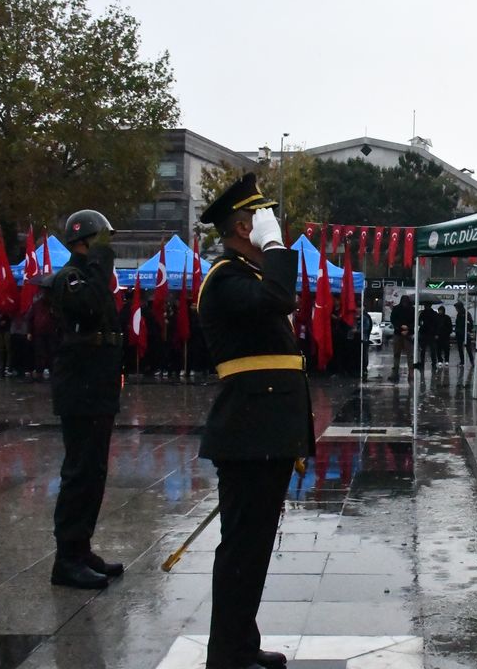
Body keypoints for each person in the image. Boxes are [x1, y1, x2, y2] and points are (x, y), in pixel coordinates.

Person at [197, 173, 307, 669]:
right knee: (242, 548)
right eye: (264, 221)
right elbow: (280, 298)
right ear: (245, 229)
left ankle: (240, 643)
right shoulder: (226, 279)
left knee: (254, 547)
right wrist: (277, 245)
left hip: (262, 432)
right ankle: (226, 653)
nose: (273, 228)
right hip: (247, 433)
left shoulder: (245, 276)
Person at [47, 209, 125, 590]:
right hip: (80, 387)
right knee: (78, 473)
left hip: (98, 385)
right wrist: (101, 261)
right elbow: (90, 306)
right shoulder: (71, 277)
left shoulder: (92, 275)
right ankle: (66, 559)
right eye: (102, 239)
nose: (107, 246)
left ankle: (81, 549)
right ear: (85, 240)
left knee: (94, 473)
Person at [389, 295, 414, 382]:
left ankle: (411, 372)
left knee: (410, 355)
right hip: (398, 333)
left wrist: (408, 329)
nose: (404, 304)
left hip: (408, 334)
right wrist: (400, 327)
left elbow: (415, 321)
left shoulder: (412, 309)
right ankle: (395, 371)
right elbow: (393, 320)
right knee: (396, 353)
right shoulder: (396, 309)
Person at [417, 301, 438, 372]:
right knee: (431, 350)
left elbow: (419, 322)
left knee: (425, 350)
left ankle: (424, 364)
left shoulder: (423, 313)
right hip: (429, 333)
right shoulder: (433, 313)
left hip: (426, 333)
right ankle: (433, 364)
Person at [454, 301, 474, 367]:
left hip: (465, 333)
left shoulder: (466, 314)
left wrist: (469, 330)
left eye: (456, 308)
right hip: (459, 333)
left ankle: (472, 361)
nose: (456, 309)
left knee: (468, 348)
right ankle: (462, 361)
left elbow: (470, 322)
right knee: (460, 348)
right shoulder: (459, 314)